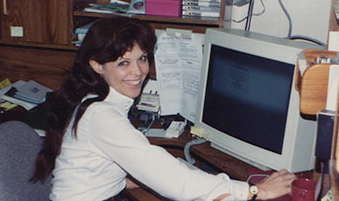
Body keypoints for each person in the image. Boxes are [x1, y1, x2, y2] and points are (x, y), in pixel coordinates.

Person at [32, 16, 296, 201]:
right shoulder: (101, 116)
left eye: (143, 58)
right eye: (123, 63)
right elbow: (174, 182)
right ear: (97, 65)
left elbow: (95, 166)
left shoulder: (92, 98)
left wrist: (127, 176)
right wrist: (254, 192)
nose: (138, 72)